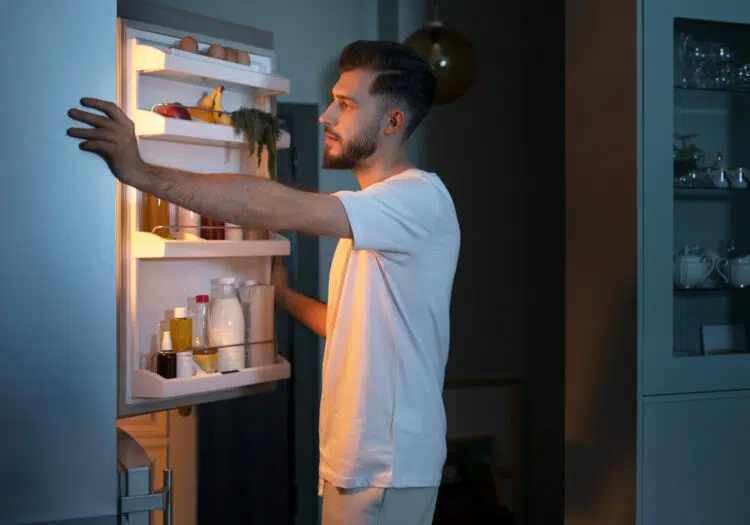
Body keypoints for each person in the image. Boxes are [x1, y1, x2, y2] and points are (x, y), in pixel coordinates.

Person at [67, 39, 460, 525]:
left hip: (387, 466)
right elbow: (347, 325)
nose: (327, 116)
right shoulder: (379, 217)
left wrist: (140, 171)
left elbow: (281, 206)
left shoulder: (418, 199)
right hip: (359, 463)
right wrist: (284, 295)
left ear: (393, 122)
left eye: (347, 103)